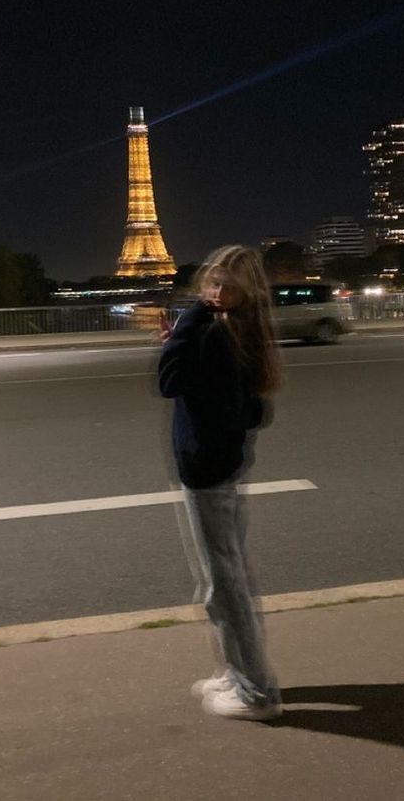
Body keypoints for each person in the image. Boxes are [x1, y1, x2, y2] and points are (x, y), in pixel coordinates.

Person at [158, 245, 283, 722]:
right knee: (227, 576)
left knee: (223, 585)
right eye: (212, 280)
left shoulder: (211, 331)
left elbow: (168, 381)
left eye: (228, 284)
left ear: (245, 291)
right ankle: (238, 672)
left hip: (208, 470)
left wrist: (186, 326)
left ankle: (255, 692)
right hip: (226, 464)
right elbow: (254, 410)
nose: (215, 290)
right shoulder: (242, 331)